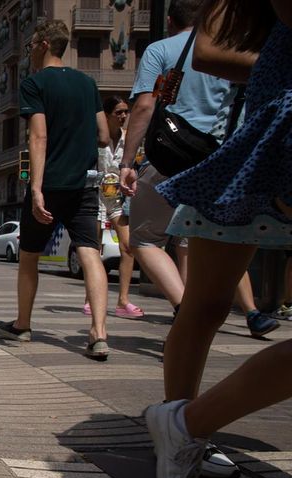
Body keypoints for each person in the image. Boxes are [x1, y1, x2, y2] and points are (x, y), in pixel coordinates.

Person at [145, 0, 292, 478]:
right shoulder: (171, 47)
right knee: (202, 301)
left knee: (197, 295)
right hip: (237, 154)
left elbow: (147, 102)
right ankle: (182, 425)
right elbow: (162, 90)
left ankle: (183, 426)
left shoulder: (166, 45)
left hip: (253, 147)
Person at [119, 0, 277, 339]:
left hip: (171, 156)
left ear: (172, 21)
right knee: (214, 237)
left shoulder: (161, 49)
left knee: (145, 239)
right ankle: (250, 312)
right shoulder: (235, 48)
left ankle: (184, 309)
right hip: (221, 157)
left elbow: (145, 106)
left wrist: (127, 162)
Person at [0, 19, 112, 359]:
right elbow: (104, 135)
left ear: (44, 43)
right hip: (85, 183)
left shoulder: (35, 84)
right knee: (90, 252)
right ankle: (99, 333)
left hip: (52, 182)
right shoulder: (88, 84)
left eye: (32, 44)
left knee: (29, 256)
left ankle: (23, 325)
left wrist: (36, 189)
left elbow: (39, 137)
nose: (30, 50)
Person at [82, 96, 143, 317]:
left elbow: (134, 165)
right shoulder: (95, 137)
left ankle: (123, 301)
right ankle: (90, 298)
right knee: (93, 248)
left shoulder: (129, 139)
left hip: (117, 197)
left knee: (128, 246)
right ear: (106, 115)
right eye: (118, 112)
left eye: (126, 111)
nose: (123, 116)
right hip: (94, 196)